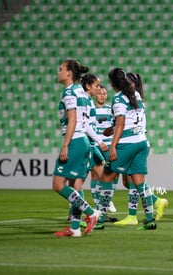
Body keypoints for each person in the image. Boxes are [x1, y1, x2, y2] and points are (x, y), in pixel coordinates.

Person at [96, 68, 157, 230]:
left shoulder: (117, 98)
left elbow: (122, 122)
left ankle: (99, 219)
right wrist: (112, 127)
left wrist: (113, 145)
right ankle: (150, 220)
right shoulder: (135, 95)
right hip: (142, 142)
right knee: (139, 182)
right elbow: (127, 120)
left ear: (112, 83)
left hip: (127, 142)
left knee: (106, 177)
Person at [52, 59, 101, 237]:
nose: (58, 72)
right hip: (84, 141)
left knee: (58, 185)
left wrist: (65, 145)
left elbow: (73, 120)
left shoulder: (70, 92)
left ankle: (91, 213)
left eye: (61, 69)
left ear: (69, 73)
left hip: (76, 140)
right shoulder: (81, 91)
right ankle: (74, 228)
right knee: (75, 184)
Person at [114, 72, 168, 226]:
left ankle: (133, 215)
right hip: (140, 141)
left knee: (132, 180)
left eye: (128, 82)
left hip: (133, 142)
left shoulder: (131, 99)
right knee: (129, 181)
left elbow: (124, 123)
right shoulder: (138, 99)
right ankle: (156, 202)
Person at [81, 76, 117, 222]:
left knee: (108, 175)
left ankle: (101, 206)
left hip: (107, 145)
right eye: (100, 92)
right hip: (95, 145)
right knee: (94, 176)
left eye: (104, 93)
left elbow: (116, 126)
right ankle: (101, 206)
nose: (102, 95)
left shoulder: (111, 109)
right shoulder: (90, 107)